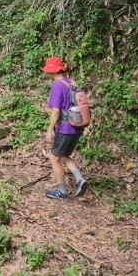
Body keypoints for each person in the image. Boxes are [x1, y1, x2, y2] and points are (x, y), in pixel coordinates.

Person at [42, 57, 86, 201]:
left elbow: (56, 110)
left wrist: (49, 130)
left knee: (54, 158)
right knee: (63, 155)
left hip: (65, 128)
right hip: (77, 127)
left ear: (52, 72)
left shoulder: (57, 85)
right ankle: (80, 179)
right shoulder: (71, 82)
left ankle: (62, 193)